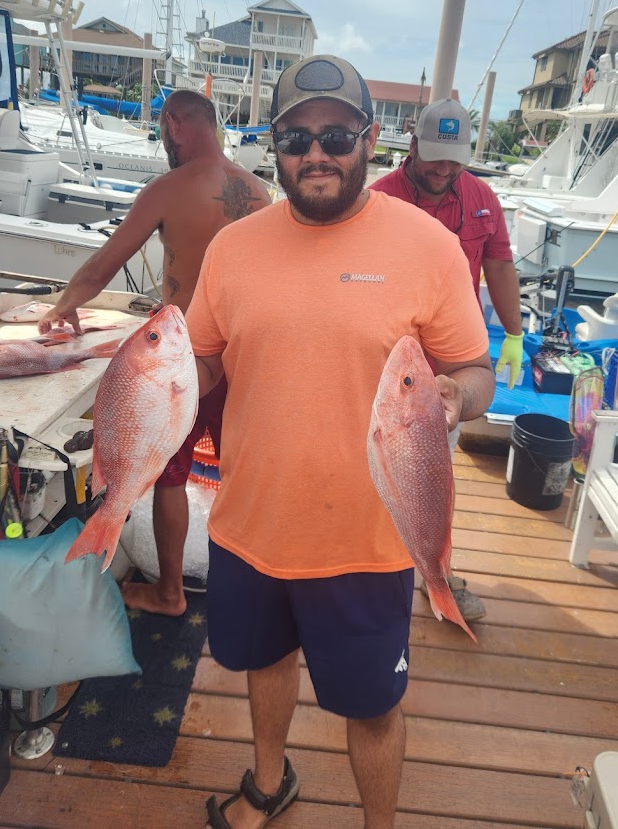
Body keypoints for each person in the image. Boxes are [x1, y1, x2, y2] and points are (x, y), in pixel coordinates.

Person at [186, 55, 494, 829]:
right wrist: (149, 372)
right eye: (294, 137)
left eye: (334, 135)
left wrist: (458, 398)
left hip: (369, 539)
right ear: (274, 145)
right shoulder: (233, 246)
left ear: (370, 138)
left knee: (373, 706)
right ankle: (268, 781)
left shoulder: (427, 246)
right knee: (261, 663)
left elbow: (474, 367)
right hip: (250, 521)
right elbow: (202, 359)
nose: (314, 153)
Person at [38, 89, 271, 616]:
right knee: (241, 472)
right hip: (245, 359)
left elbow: (103, 267)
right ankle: (249, 588)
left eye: (165, 129)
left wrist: (61, 306)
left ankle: (169, 593)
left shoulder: (168, 188)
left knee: (171, 474)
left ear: (174, 123)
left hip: (186, 362)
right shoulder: (260, 192)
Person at [371, 97, 524, 625]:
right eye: (434, 156)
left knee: (435, 479)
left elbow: (500, 265)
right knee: (376, 475)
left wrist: (515, 335)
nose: (443, 169)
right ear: (412, 146)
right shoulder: (378, 198)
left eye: (453, 158)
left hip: (449, 368)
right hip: (390, 371)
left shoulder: (482, 197)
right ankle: (374, 570)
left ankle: (437, 572)